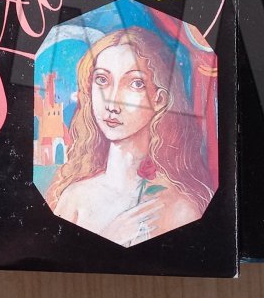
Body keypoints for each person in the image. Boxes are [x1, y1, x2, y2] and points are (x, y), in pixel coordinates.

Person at [46, 27, 214, 246]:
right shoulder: (74, 198)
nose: (112, 103)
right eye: (102, 80)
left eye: (135, 83)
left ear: (159, 99)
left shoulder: (180, 208)